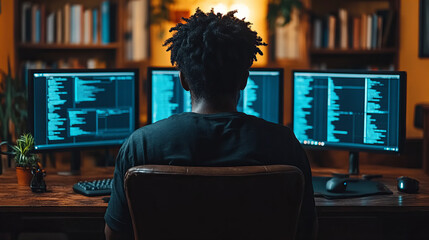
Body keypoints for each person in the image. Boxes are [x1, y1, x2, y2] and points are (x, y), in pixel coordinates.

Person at [105, 8, 317, 240]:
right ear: (244, 80)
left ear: (183, 80)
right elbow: (306, 231)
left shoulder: (140, 146)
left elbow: (115, 235)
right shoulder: (284, 144)